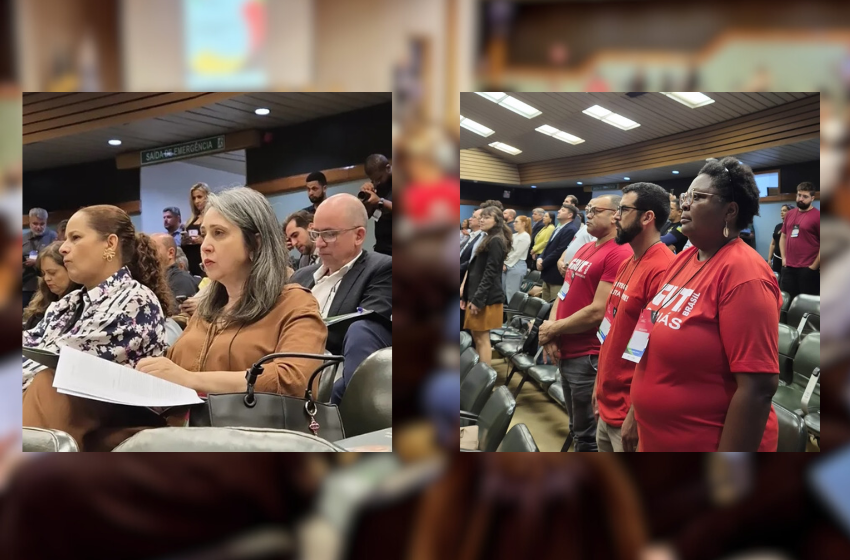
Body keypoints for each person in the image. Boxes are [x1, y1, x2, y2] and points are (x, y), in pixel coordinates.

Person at [630, 157, 780, 452]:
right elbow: (645, 331)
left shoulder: (745, 275)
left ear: (730, 211)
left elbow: (758, 389)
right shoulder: (683, 259)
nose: (684, 204)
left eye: (697, 198)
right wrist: (635, 410)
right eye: (686, 197)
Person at [137, 187, 328, 403]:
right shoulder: (206, 311)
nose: (205, 246)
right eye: (204, 234)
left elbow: (294, 380)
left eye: (219, 233)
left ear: (255, 242)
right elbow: (174, 371)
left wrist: (191, 379)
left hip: (253, 432)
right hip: (186, 428)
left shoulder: (294, 302)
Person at [22, 205, 174, 450]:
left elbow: (63, 362)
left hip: (111, 419)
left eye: (76, 237)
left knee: (47, 383)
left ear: (110, 244)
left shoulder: (135, 301)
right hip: (62, 421)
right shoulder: (68, 303)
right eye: (65, 238)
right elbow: (27, 346)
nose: (63, 247)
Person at [538, 195, 632, 452]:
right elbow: (563, 293)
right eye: (587, 209)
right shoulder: (585, 248)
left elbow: (599, 311)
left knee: (587, 436)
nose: (587, 214)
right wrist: (551, 330)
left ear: (615, 215)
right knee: (576, 428)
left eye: (594, 210)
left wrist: (553, 329)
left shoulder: (620, 253)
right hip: (566, 348)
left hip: (588, 354)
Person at [591, 183, 675, 452]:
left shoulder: (663, 269)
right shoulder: (628, 262)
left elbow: (651, 349)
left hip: (629, 411)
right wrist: (598, 384)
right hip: (607, 399)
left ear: (647, 217)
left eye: (623, 210)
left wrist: (635, 414)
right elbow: (611, 325)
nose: (616, 216)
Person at [290, 194, 392, 404]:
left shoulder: (382, 268)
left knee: (360, 331)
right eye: (315, 233)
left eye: (329, 234)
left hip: (334, 372)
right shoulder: (301, 276)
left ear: (358, 235)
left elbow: (364, 327)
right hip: (288, 366)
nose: (319, 243)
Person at [461, 206, 511, 366]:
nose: (481, 220)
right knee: (477, 337)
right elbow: (474, 270)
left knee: (482, 340)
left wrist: (477, 300)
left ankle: (484, 379)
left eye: (486, 217)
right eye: (481, 217)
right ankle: (478, 374)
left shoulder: (496, 240)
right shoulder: (488, 237)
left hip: (486, 299)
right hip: (477, 296)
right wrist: (467, 296)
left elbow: (490, 273)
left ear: (497, 221)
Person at [21, 241, 81, 330]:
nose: (46, 278)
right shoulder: (44, 298)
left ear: (71, 269)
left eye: (52, 273)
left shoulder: (82, 305)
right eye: (43, 273)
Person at [779, 182, 820, 300]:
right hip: (788, 268)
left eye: (805, 196)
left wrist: (813, 267)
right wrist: (784, 259)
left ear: (812, 198)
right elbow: (783, 236)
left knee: (806, 305)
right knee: (786, 302)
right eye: (799, 195)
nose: (800, 199)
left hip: (807, 269)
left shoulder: (818, 216)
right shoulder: (790, 214)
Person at [536, 204, 579, 302]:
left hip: (556, 274)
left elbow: (560, 250)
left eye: (562, 210)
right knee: (544, 305)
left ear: (570, 215)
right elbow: (548, 247)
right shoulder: (559, 227)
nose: (559, 211)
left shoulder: (570, 229)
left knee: (552, 305)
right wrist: (540, 258)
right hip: (548, 272)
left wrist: (543, 263)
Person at [22, 207, 57, 308]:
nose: (38, 227)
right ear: (29, 222)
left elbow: (57, 259)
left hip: (45, 286)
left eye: (42, 224)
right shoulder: (22, 238)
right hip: (25, 285)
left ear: (46, 222)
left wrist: (37, 261)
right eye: (35, 224)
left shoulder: (53, 237)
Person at [150, 233, 199, 303]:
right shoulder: (152, 279)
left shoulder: (182, 280)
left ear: (170, 253)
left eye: (153, 249)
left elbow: (180, 312)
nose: (148, 253)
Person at [360, 154, 393, 256]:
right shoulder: (378, 185)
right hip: (382, 248)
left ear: (387, 168)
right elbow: (368, 215)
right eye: (373, 180)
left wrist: (380, 201)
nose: (376, 182)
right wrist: (367, 199)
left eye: (379, 178)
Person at [181, 182, 210, 277]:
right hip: (190, 262)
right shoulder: (191, 220)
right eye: (194, 198)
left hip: (205, 261)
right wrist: (184, 242)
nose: (196, 201)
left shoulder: (211, 217)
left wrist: (202, 241)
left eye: (199, 197)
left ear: (207, 196)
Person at [502, 215, 531, 302]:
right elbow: (508, 250)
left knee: (512, 293)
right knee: (504, 291)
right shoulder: (514, 235)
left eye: (516, 222)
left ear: (523, 223)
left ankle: (513, 315)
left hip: (516, 264)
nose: (514, 224)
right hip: (508, 263)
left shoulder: (525, 236)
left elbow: (517, 253)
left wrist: (506, 264)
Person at [768, 204, 792, 274]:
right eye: (781, 211)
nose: (781, 212)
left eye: (784, 210)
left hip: (788, 260)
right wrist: (769, 259)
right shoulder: (778, 226)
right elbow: (773, 244)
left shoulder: (793, 227)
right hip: (776, 258)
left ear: (790, 212)